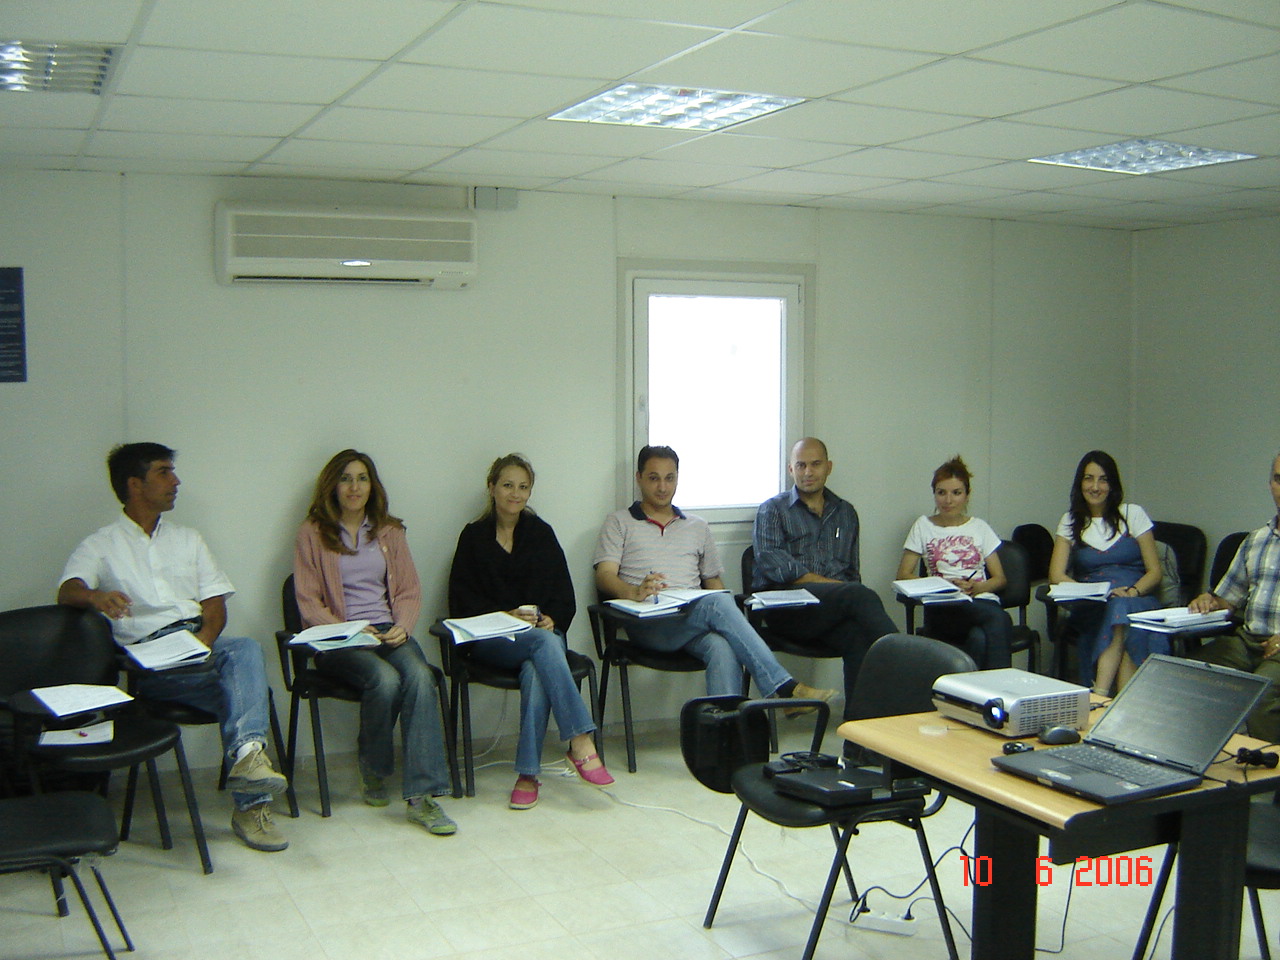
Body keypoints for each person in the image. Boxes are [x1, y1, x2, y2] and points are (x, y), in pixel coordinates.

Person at [58, 443, 290, 852]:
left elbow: (214, 602)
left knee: (244, 649)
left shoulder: (188, 539)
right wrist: (96, 597)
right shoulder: (101, 544)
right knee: (242, 693)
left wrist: (204, 641)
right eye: (164, 472)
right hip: (152, 664)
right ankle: (251, 799)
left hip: (199, 646)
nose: (176, 481)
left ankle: (249, 762)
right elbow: (67, 591)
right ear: (135, 484)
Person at [594, 444, 835, 709]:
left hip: (690, 620)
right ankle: (785, 689)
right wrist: (634, 591)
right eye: (654, 478)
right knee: (717, 602)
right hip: (648, 624)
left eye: (670, 478)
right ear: (639, 478)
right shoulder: (619, 522)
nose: (663, 487)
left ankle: (723, 727)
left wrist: (730, 621)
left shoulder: (697, 526)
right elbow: (604, 576)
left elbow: (713, 583)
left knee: (722, 645)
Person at [292, 449, 456, 836]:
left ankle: (422, 797)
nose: (354, 487)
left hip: (386, 628)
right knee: (385, 679)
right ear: (332, 486)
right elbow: (308, 601)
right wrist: (348, 631)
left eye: (362, 478)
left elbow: (409, 589)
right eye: (346, 478)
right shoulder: (312, 532)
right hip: (337, 638)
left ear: (372, 486)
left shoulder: (389, 531)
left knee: (420, 676)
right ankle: (374, 766)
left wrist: (404, 626)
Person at [448, 453, 614, 810]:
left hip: (538, 640)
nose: (515, 494)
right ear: (492, 488)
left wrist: (552, 618)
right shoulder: (473, 537)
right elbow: (460, 603)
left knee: (538, 661)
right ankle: (580, 740)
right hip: (491, 641)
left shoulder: (541, 534)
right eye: (508, 485)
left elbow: (564, 596)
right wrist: (505, 615)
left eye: (523, 487)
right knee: (544, 644)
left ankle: (527, 775)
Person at [751, 438, 898, 718]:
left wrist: (844, 591)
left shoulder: (846, 512)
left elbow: (852, 572)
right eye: (801, 465)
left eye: (815, 464)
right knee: (859, 594)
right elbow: (777, 568)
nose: (808, 472)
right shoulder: (772, 510)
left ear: (828, 467)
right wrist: (840, 589)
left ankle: (857, 733)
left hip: (833, 610)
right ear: (790, 469)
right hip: (788, 611)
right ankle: (905, 662)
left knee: (857, 636)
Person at [1048, 450, 1162, 694]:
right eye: (1089, 479)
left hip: (1137, 598)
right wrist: (1096, 592)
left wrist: (1131, 592)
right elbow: (1056, 576)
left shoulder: (1133, 514)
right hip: (1093, 605)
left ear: (1113, 484)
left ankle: (1099, 694)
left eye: (1103, 480)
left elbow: (1154, 572)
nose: (1095, 487)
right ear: (1080, 483)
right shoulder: (1070, 521)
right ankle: (1121, 704)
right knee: (1120, 614)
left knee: (1124, 611)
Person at [1189, 451, 1280, 743]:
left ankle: (1267, 767)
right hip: (1248, 641)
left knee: (1262, 697)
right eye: (1279, 479)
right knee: (1188, 674)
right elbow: (1228, 599)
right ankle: (1201, 757)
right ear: (1270, 484)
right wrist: (1208, 601)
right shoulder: (1256, 541)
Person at [895, 455, 1014, 669]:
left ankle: (973, 690)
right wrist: (941, 585)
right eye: (941, 493)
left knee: (979, 638)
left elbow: (1000, 579)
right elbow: (903, 575)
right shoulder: (923, 526)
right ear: (934, 495)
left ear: (967, 495)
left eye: (956, 493)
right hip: (944, 606)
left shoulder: (980, 527)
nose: (948, 500)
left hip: (980, 601)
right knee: (1000, 619)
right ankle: (1002, 685)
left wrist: (978, 587)